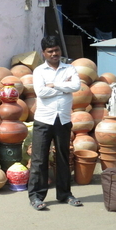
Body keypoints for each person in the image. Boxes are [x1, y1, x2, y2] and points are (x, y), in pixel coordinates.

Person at [28, 36, 82, 211]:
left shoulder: (70, 68)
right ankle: (36, 196)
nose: (54, 54)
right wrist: (62, 87)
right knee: (39, 159)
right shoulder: (39, 71)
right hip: (44, 120)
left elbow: (76, 86)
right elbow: (41, 92)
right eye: (50, 51)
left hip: (64, 120)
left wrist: (54, 85)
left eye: (56, 50)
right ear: (44, 53)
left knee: (63, 158)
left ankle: (65, 194)